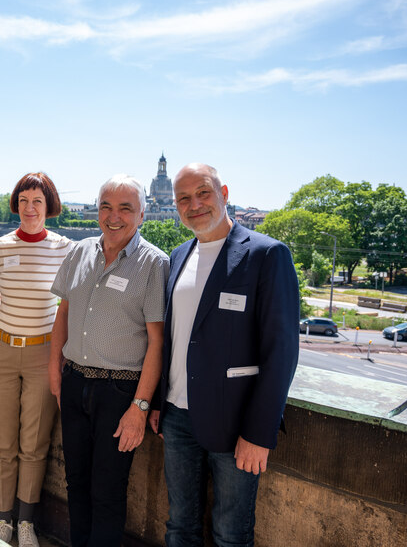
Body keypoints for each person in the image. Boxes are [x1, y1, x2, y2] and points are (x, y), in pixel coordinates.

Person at [149, 163, 299, 547]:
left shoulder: (267, 254)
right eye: (184, 198)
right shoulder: (179, 254)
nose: (194, 204)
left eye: (203, 193)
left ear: (224, 193)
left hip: (237, 425)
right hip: (177, 418)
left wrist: (259, 432)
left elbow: (281, 352)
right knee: (179, 526)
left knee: (231, 535)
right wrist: (156, 405)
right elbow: (172, 339)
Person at [49, 174, 169, 547]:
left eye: (125, 208)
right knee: (76, 483)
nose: (113, 216)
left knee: (107, 490)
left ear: (142, 215)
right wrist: (55, 370)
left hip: (120, 391)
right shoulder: (80, 251)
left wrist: (140, 405)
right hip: (74, 383)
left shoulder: (154, 263)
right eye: (106, 206)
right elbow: (63, 314)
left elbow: (157, 342)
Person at [0, 172, 71, 547]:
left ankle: (26, 521)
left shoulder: (65, 248)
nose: (30, 208)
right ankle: (4, 518)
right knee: (1, 442)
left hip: (44, 353)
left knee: (34, 443)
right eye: (24, 200)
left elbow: (67, 308)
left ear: (49, 207)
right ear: (16, 204)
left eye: (38, 201)